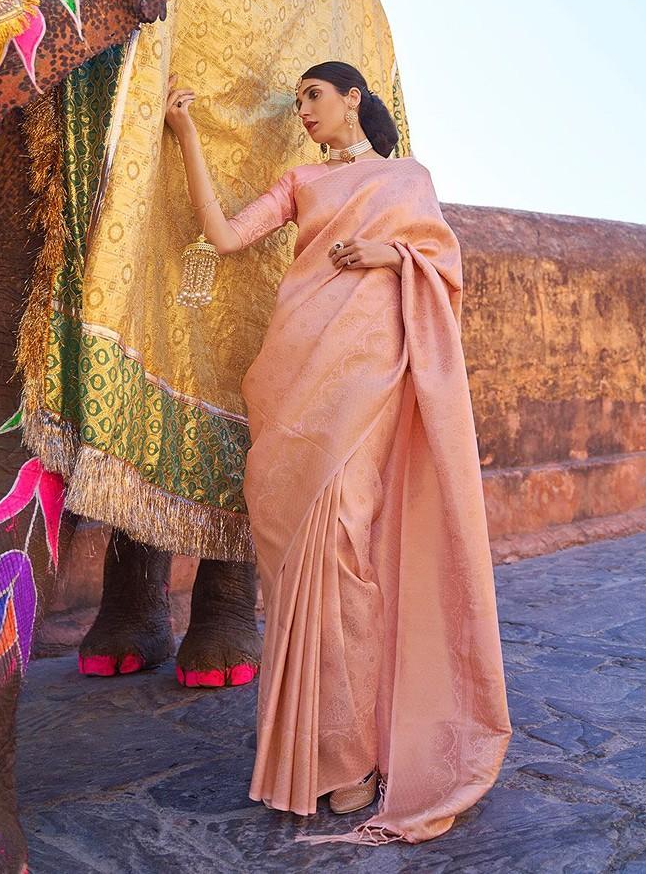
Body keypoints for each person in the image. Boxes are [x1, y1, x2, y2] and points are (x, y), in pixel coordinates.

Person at [164, 61, 511, 845]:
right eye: (298, 104)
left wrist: (391, 256)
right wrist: (186, 133)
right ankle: (312, 757)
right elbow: (223, 236)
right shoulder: (300, 181)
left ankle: (352, 757)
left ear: (354, 97)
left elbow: (443, 266)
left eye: (315, 97)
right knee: (299, 572)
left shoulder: (409, 178)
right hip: (296, 378)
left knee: (347, 550)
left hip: (370, 373)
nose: (306, 112)